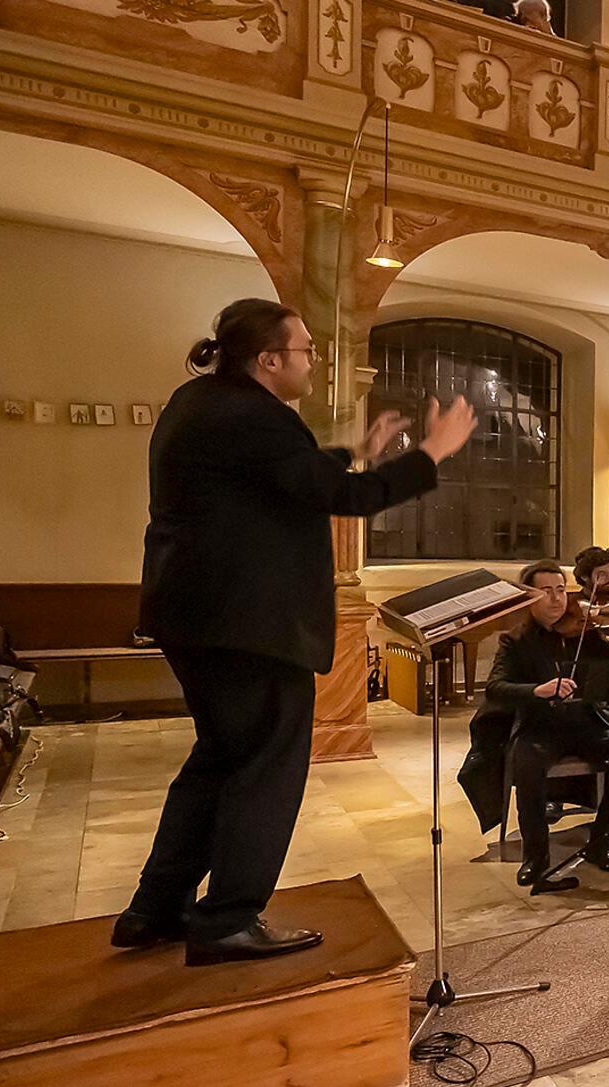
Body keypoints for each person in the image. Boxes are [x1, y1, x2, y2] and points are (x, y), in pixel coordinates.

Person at [118, 298, 476, 964]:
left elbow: (286, 480)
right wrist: (432, 453)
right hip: (250, 624)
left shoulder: (198, 403)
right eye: (306, 348)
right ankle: (227, 916)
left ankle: (155, 907)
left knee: (219, 760)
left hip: (196, 616)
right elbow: (348, 500)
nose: (314, 359)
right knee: (264, 768)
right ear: (270, 359)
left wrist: (350, 452)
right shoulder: (257, 417)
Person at [459, 561, 609, 893]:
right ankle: (535, 858)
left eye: (561, 590)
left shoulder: (584, 632)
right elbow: (495, 687)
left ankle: (601, 840)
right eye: (546, 591)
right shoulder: (516, 640)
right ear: (528, 597)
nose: (556, 599)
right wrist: (536, 690)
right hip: (539, 727)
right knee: (528, 766)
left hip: (584, 724)